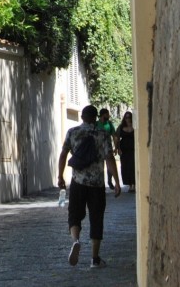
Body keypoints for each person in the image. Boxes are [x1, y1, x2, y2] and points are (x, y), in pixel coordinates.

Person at [57, 104, 121, 269]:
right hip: (97, 184)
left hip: (78, 182)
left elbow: (63, 155)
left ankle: (76, 240)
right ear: (95, 118)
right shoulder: (103, 134)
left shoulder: (72, 132)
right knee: (96, 218)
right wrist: (116, 181)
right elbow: (109, 158)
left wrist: (60, 176)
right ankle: (95, 259)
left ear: (82, 117)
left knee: (74, 215)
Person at [116, 111, 136, 193]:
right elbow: (117, 138)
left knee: (133, 166)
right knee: (125, 167)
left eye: (129, 117)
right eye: (126, 117)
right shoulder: (121, 127)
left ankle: (134, 184)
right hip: (124, 151)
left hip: (133, 150)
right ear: (124, 118)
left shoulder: (135, 126)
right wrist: (118, 149)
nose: (128, 119)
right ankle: (130, 185)